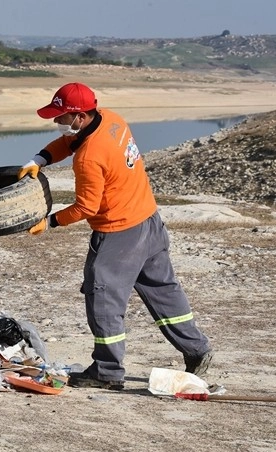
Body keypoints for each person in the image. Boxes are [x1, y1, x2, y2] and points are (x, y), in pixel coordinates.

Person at [19, 82, 213, 390]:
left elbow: (85, 206)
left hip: (119, 234)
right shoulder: (110, 119)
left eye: (61, 118)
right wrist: (40, 158)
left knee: (103, 299)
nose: (57, 123)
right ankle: (197, 349)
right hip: (148, 221)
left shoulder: (89, 157)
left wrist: (51, 222)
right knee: (164, 292)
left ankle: (107, 372)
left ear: (79, 117)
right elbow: (69, 143)